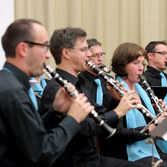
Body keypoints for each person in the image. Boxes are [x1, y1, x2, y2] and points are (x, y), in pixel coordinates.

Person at [41, 27, 152, 167]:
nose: (88, 55)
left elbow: (100, 115)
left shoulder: (78, 85)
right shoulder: (57, 89)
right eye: (83, 50)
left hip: (92, 159)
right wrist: (118, 111)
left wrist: (115, 100)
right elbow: (84, 128)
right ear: (66, 53)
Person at [0, 19, 93, 166]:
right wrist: (73, 119)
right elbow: (41, 154)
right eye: (44, 46)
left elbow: (28, 138)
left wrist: (55, 112)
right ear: (23, 49)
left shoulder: (8, 83)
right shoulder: (13, 93)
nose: (49, 55)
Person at [110, 42, 167, 167]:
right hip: (129, 153)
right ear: (122, 64)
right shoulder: (114, 92)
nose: (141, 68)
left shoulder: (142, 91)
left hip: (152, 149)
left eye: (142, 63)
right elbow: (117, 134)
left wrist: (160, 113)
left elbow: (151, 121)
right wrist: (151, 128)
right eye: (136, 63)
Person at [78, 38, 116, 109]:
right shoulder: (79, 81)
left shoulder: (109, 80)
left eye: (101, 54)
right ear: (87, 57)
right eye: (95, 55)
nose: (100, 59)